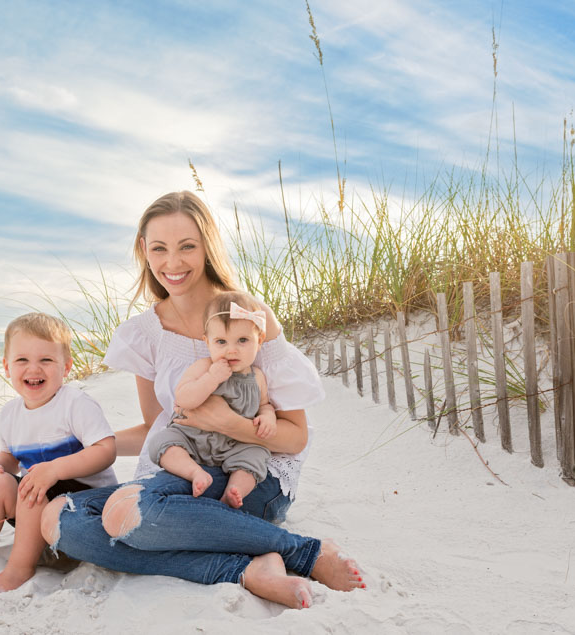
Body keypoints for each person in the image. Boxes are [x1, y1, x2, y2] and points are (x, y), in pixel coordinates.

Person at [39, 191, 364, 609]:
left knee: (131, 513)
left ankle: (304, 551)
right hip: (177, 475)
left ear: (207, 246)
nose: (172, 263)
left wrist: (225, 422)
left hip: (248, 475)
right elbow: (156, 428)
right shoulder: (145, 332)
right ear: (144, 250)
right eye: (159, 248)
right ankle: (247, 569)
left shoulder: (247, 318)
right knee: (61, 519)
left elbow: (295, 437)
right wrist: (73, 453)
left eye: (187, 246)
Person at [0, 313, 117, 598]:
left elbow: (106, 451)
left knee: (36, 481)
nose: (33, 368)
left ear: (66, 367)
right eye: (22, 360)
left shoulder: (75, 403)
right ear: (6, 367)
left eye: (46, 360)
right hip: (37, 510)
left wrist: (54, 469)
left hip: (84, 511)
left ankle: (18, 569)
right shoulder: (10, 414)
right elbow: (9, 456)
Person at [149, 291, 277, 508]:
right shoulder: (204, 367)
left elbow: (264, 404)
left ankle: (233, 492)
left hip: (234, 444)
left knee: (256, 455)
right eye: (221, 342)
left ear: (260, 340)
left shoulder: (257, 377)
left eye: (243, 340)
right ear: (207, 342)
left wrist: (267, 417)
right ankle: (194, 472)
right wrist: (211, 379)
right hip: (191, 438)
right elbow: (184, 399)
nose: (231, 350)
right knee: (162, 443)